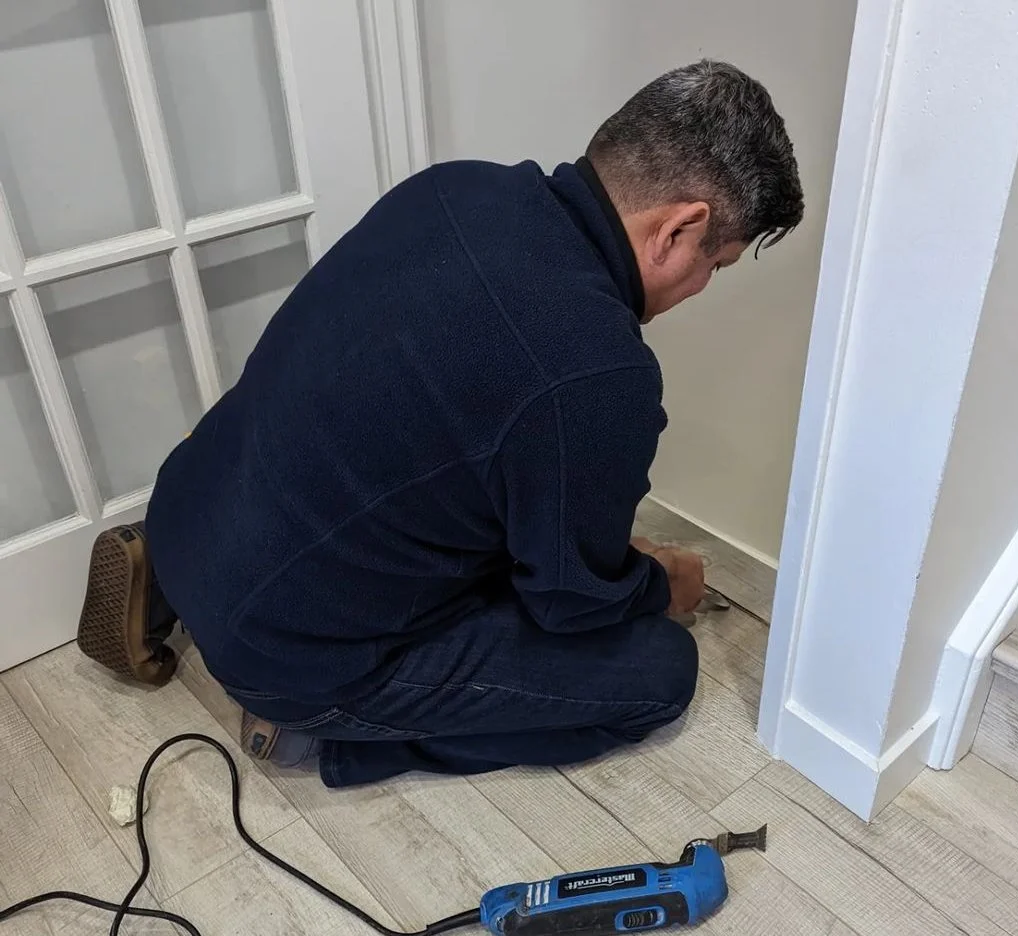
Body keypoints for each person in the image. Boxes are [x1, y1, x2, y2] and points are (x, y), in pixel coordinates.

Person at [76, 60, 803, 788]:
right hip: (289, 655)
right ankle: (335, 741)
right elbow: (569, 607)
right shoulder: (597, 374)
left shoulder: (453, 188)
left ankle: (175, 570)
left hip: (193, 507)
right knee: (658, 672)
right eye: (721, 265)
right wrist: (654, 585)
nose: (705, 287)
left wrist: (596, 554)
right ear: (681, 228)